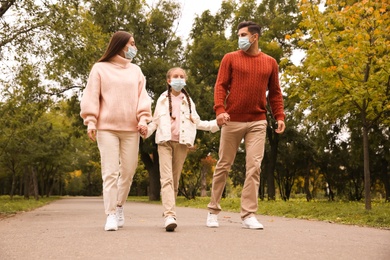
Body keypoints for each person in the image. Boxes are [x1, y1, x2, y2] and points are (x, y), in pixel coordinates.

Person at [206, 21, 286, 230]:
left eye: (243, 34)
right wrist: (220, 110)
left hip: (258, 121)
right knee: (224, 165)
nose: (239, 38)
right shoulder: (230, 58)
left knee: (254, 167)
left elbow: (275, 92)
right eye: (239, 34)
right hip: (232, 119)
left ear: (254, 37)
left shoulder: (270, 62)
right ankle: (213, 210)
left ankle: (248, 214)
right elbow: (220, 86)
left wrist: (279, 115)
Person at [80, 31, 152, 231]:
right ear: (120, 45)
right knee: (110, 173)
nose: (134, 48)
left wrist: (144, 119)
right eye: (131, 44)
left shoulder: (136, 71)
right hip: (107, 129)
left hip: (131, 129)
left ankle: (120, 206)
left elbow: (143, 98)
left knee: (128, 171)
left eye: (134, 44)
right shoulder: (100, 69)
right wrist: (91, 121)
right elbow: (91, 96)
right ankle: (111, 214)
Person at [140, 67, 219, 232]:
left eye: (182, 76)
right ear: (169, 81)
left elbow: (197, 122)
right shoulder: (162, 100)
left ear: (185, 80)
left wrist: (216, 124)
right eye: (175, 76)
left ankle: (169, 212)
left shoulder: (189, 102)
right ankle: (170, 215)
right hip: (164, 142)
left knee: (174, 181)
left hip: (182, 144)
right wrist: (146, 130)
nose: (179, 79)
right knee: (166, 179)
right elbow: (155, 122)